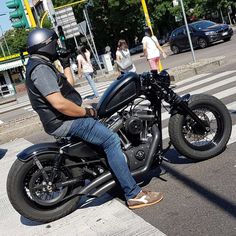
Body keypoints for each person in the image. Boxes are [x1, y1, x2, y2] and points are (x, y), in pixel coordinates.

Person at [25, 28, 163, 209]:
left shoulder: (41, 63)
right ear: (46, 44)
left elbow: (68, 86)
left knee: (106, 121)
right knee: (111, 140)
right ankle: (133, 194)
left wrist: (66, 63)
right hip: (63, 121)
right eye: (55, 43)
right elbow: (59, 103)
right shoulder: (41, 68)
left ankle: (114, 173)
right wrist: (86, 113)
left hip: (62, 119)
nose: (57, 46)